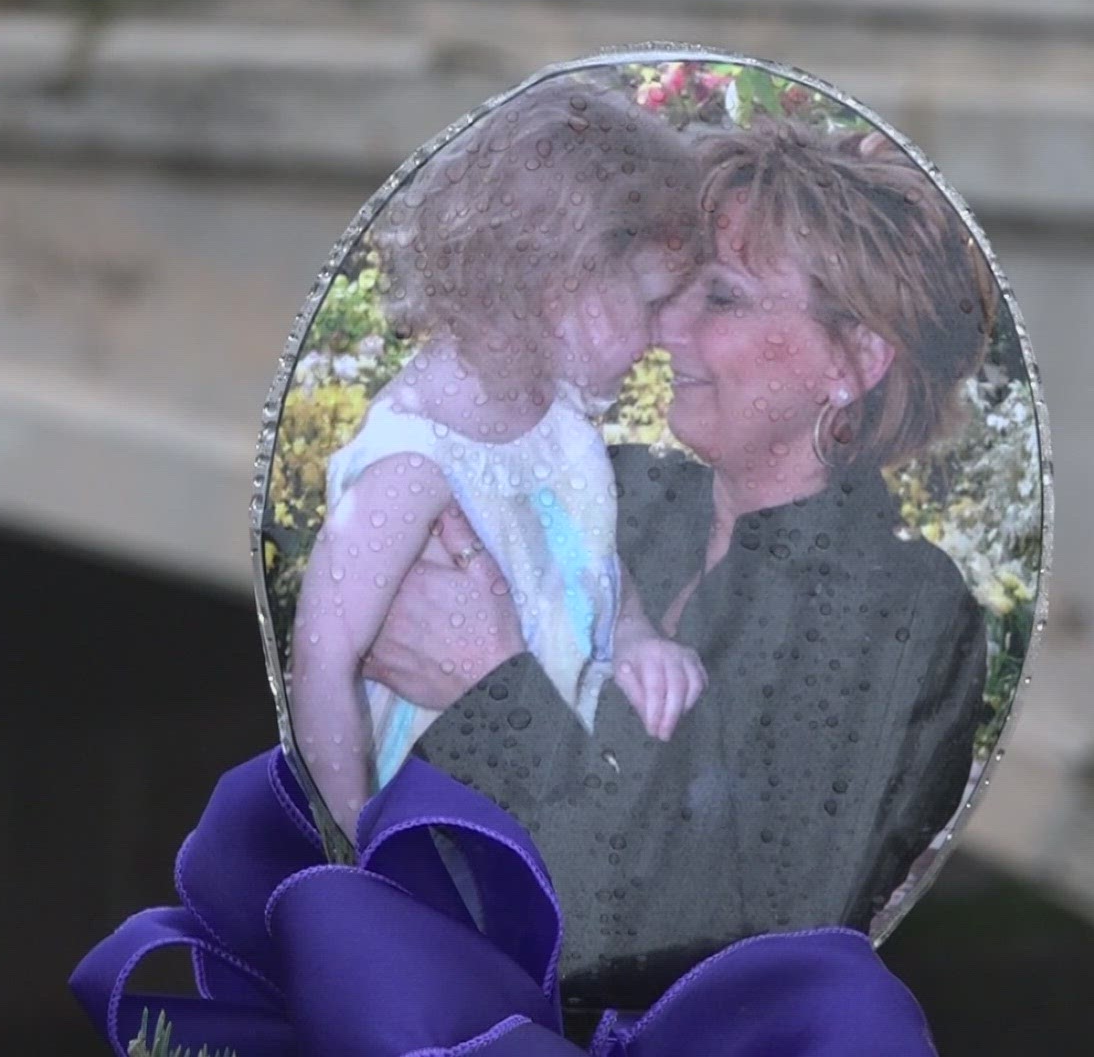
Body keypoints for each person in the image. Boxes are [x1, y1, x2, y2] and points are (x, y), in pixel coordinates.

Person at [365, 117, 996, 1010]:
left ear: (855, 360)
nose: (667, 331)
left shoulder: (902, 614)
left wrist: (492, 685)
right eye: (676, 292)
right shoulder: (616, 498)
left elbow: (720, 934)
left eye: (724, 299)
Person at [287, 74, 708, 843]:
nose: (657, 339)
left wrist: (642, 641)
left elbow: (594, 559)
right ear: (557, 283)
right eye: (648, 304)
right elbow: (322, 661)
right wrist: (353, 839)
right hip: (439, 814)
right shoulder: (413, 463)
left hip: (540, 791)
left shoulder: (557, 419)